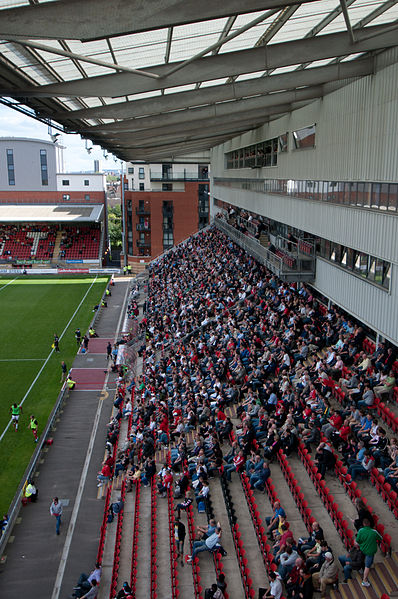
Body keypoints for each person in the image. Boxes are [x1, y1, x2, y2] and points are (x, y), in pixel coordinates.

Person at [355, 518, 383, 587]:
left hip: (362, 549)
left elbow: (357, 540)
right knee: (367, 566)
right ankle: (364, 581)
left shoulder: (361, 531)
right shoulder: (374, 532)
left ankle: (361, 569)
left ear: (363, 524)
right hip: (370, 552)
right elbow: (381, 538)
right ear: (369, 524)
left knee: (364, 562)